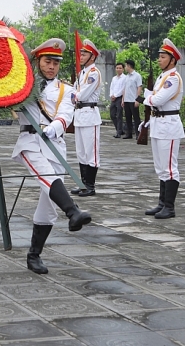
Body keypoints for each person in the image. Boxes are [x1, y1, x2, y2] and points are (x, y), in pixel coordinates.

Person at [13, 39, 92, 275]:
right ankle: (73, 211)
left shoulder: (66, 90)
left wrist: (54, 128)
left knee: (47, 206)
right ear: (38, 61)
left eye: (56, 63)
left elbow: (66, 115)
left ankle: (34, 255)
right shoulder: (23, 86)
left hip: (54, 143)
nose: (52, 67)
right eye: (47, 61)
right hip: (30, 142)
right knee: (48, 177)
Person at [139, 39, 185, 220]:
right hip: (158, 123)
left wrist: (147, 98)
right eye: (159, 56)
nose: (159, 59)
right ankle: (162, 203)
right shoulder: (162, 77)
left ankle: (169, 207)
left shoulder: (173, 78)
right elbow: (155, 98)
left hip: (169, 125)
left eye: (163, 56)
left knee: (169, 168)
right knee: (160, 167)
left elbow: (157, 100)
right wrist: (151, 98)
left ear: (172, 60)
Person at [72, 39, 102, 196]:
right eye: (81, 53)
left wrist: (74, 94)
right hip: (79, 116)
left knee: (91, 153)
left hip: (90, 115)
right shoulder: (82, 73)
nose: (81, 56)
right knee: (81, 152)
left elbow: (82, 95)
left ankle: (90, 185)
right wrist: (75, 95)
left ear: (92, 57)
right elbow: (76, 95)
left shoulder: (94, 73)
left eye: (84, 54)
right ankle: (83, 183)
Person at [122, 59, 142, 139]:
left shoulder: (137, 76)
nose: (125, 67)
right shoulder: (126, 77)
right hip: (127, 99)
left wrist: (137, 99)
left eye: (126, 65)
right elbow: (124, 89)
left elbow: (139, 87)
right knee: (127, 117)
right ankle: (129, 133)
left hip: (133, 100)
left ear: (129, 66)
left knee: (136, 118)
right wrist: (123, 99)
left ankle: (138, 134)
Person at [108, 62, 125, 137]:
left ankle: (119, 132)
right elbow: (111, 87)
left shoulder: (125, 78)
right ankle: (119, 130)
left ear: (123, 69)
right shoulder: (114, 78)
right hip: (113, 98)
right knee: (112, 115)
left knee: (119, 115)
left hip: (120, 98)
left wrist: (116, 95)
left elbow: (123, 89)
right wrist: (111, 95)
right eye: (117, 68)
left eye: (120, 68)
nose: (118, 69)